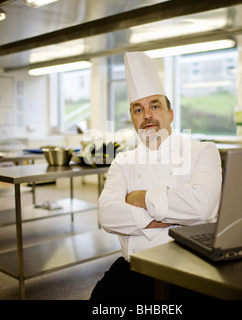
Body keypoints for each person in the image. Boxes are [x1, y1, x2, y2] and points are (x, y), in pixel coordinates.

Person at [90, 52, 222, 300]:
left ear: (170, 114)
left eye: (154, 105)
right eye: (138, 109)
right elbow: (107, 214)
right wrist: (173, 219)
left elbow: (202, 207)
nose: (147, 115)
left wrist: (139, 197)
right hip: (135, 268)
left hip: (190, 269)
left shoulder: (202, 151)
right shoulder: (123, 161)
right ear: (132, 119)